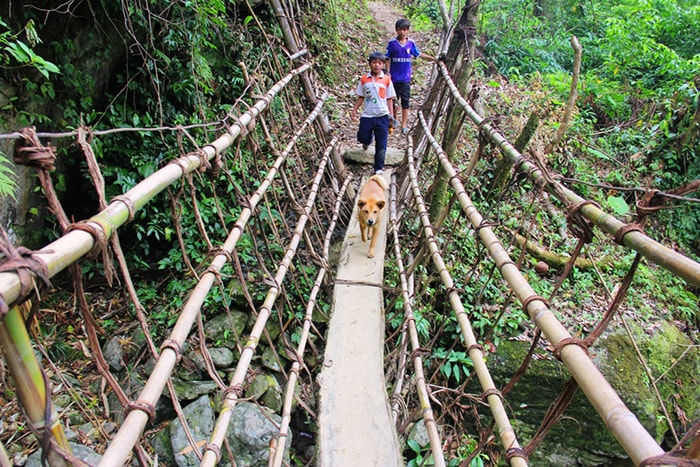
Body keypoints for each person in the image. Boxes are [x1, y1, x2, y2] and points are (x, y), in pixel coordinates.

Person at [385, 18, 434, 135]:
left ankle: (404, 124)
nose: (402, 32)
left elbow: (418, 54)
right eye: (400, 29)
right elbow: (387, 58)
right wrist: (388, 72)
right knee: (393, 100)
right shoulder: (392, 44)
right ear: (396, 30)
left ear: (408, 31)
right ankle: (394, 119)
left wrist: (432, 58)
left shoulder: (410, 44)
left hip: (405, 78)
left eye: (405, 30)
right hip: (394, 78)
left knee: (405, 102)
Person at [351, 51, 396, 175]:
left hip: (382, 115)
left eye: (379, 63)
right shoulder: (364, 79)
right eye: (374, 62)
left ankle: (378, 168)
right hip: (368, 115)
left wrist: (391, 115)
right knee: (362, 137)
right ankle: (367, 141)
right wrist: (355, 109)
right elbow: (361, 96)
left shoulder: (386, 80)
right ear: (370, 64)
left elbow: (389, 98)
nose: (376, 65)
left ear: (383, 65)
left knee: (381, 144)